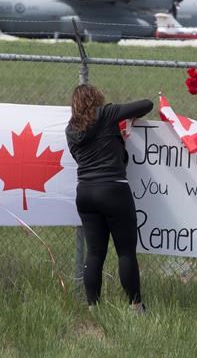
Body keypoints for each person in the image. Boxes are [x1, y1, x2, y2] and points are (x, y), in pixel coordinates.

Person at [66, 84, 153, 312]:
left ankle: (93, 307)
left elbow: (83, 156)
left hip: (84, 192)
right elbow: (146, 105)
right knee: (125, 251)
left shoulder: (70, 129)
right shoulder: (106, 113)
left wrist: (116, 139)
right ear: (97, 99)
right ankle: (136, 306)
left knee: (94, 252)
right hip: (113, 189)